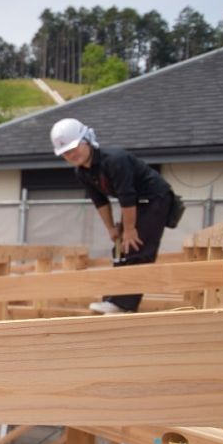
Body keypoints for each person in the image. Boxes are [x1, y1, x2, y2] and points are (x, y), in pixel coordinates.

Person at [50, 118, 178, 314]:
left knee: (136, 248)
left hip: (155, 199)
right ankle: (113, 299)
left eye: (74, 147)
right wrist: (112, 229)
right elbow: (100, 201)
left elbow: (128, 196)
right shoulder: (82, 172)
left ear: (87, 140)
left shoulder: (114, 160)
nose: (71, 154)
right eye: (66, 152)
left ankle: (124, 305)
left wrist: (129, 229)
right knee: (119, 250)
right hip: (135, 204)